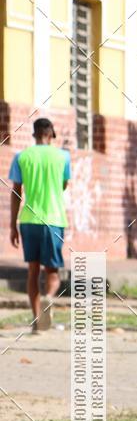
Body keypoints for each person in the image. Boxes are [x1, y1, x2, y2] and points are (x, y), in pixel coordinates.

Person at [9, 118, 71, 333]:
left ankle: (37, 321)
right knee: (52, 271)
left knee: (33, 271)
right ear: (51, 134)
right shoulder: (63, 157)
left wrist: (12, 225)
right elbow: (63, 185)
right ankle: (49, 296)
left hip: (28, 220)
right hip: (54, 219)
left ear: (34, 134)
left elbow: (16, 192)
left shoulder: (21, 157)